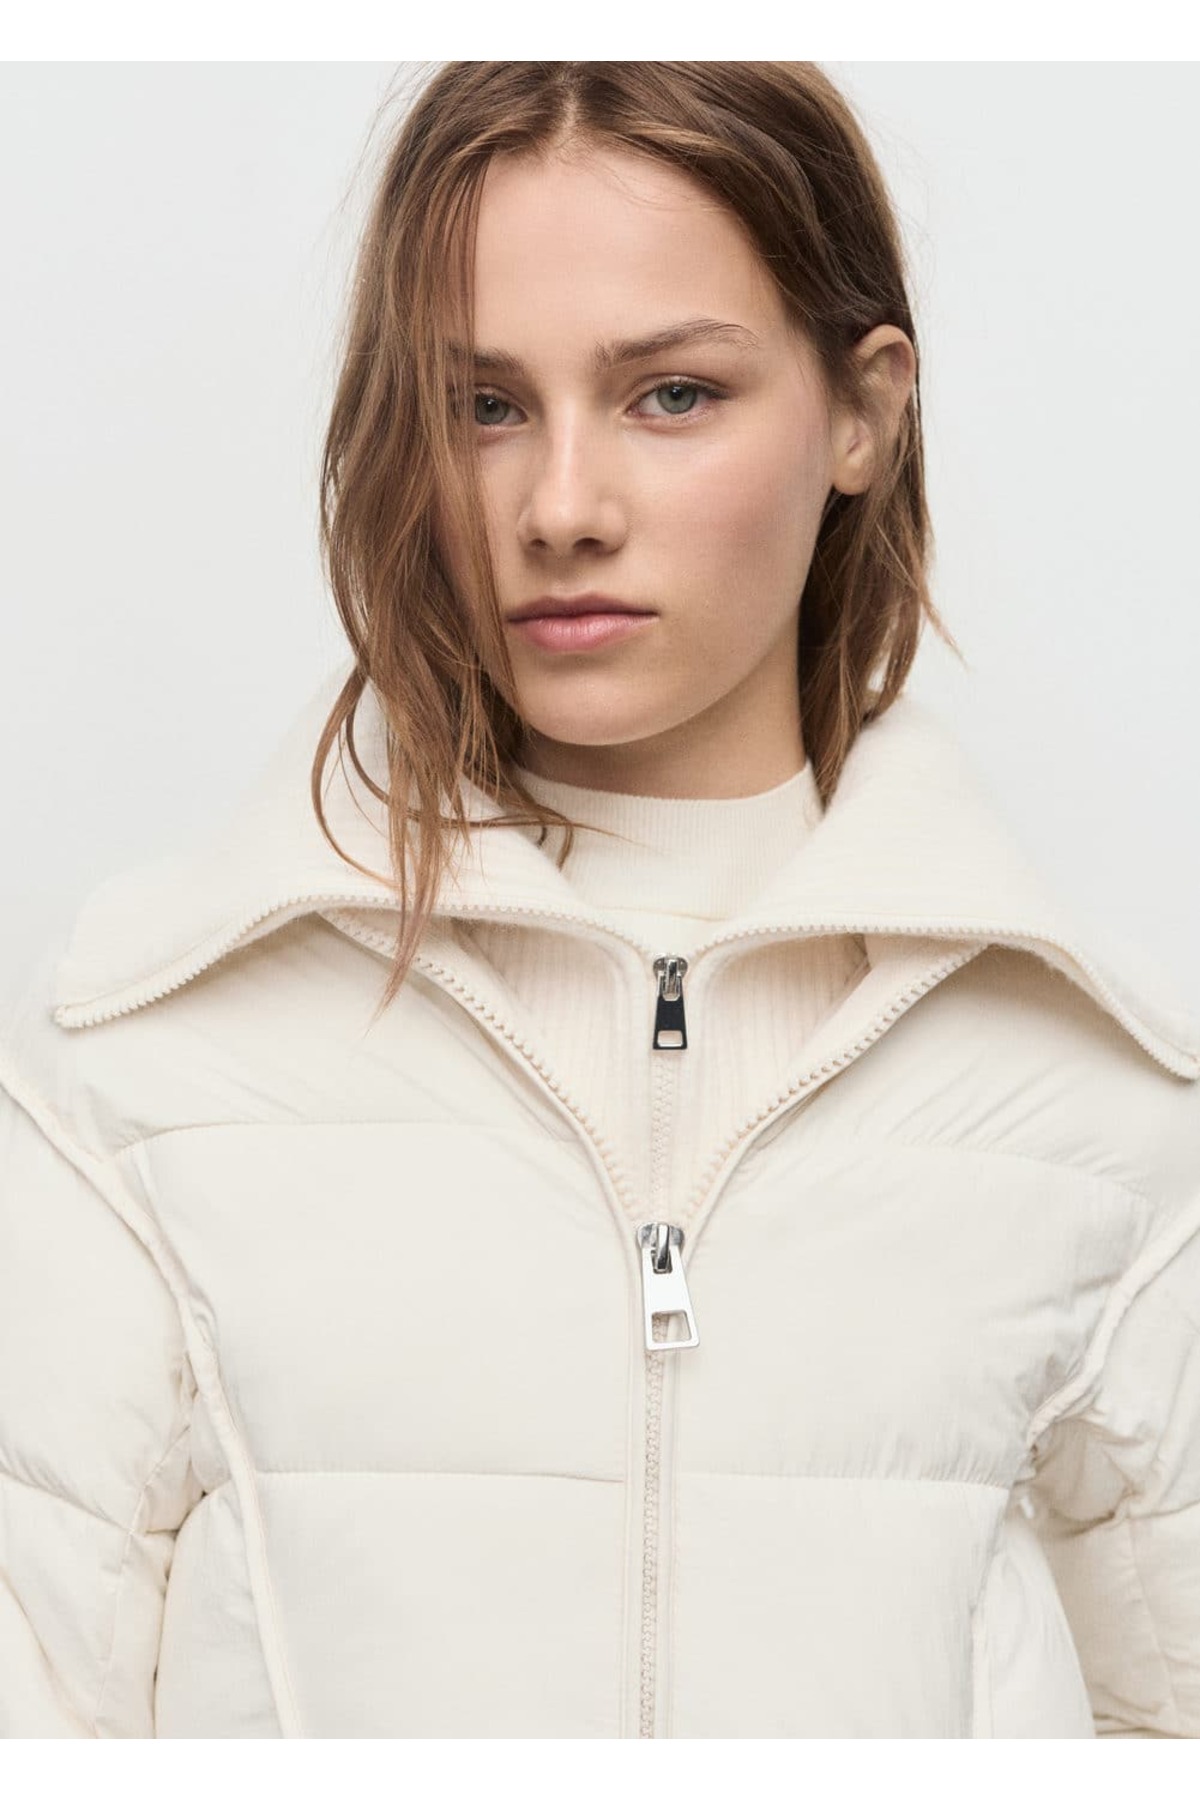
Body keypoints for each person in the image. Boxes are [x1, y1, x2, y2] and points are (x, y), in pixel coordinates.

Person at [1, 59, 1198, 1741]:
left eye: (672, 395)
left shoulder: (1106, 1102)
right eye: (485, 408)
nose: (560, 509)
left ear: (864, 412)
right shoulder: (137, 1069)